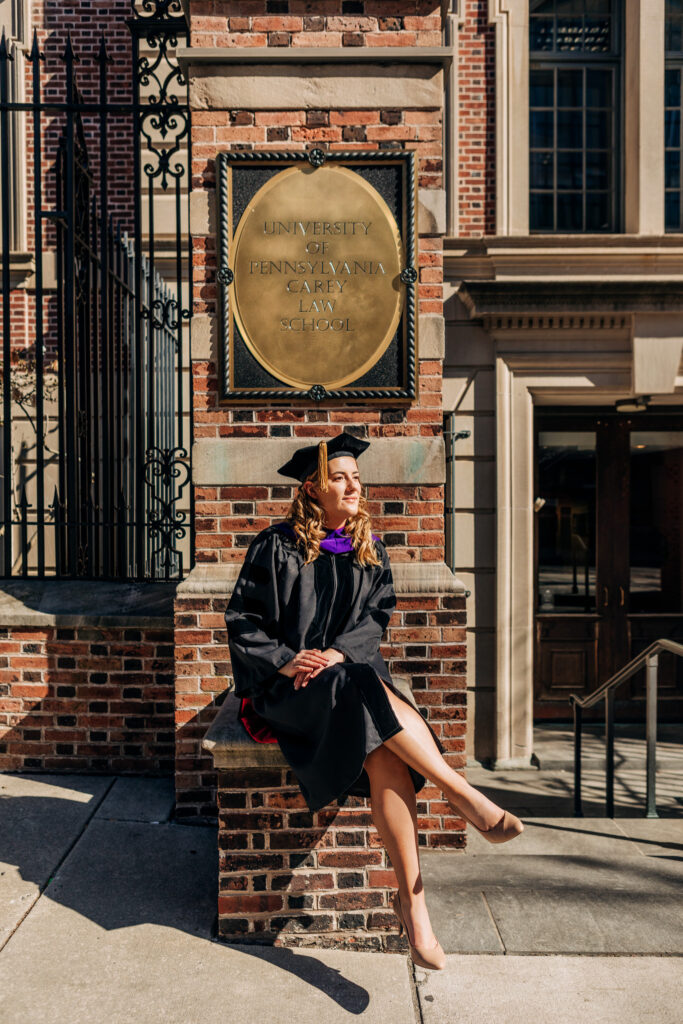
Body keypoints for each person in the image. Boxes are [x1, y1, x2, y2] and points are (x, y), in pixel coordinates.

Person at [224, 430, 523, 970]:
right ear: (313, 488)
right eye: (340, 477)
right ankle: (458, 791)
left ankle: (414, 906)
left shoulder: (369, 547)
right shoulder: (276, 545)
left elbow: (375, 618)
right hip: (288, 689)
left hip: (347, 678)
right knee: (364, 690)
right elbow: (243, 620)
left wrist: (338, 652)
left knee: (380, 738)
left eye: (356, 477)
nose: (354, 485)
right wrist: (290, 659)